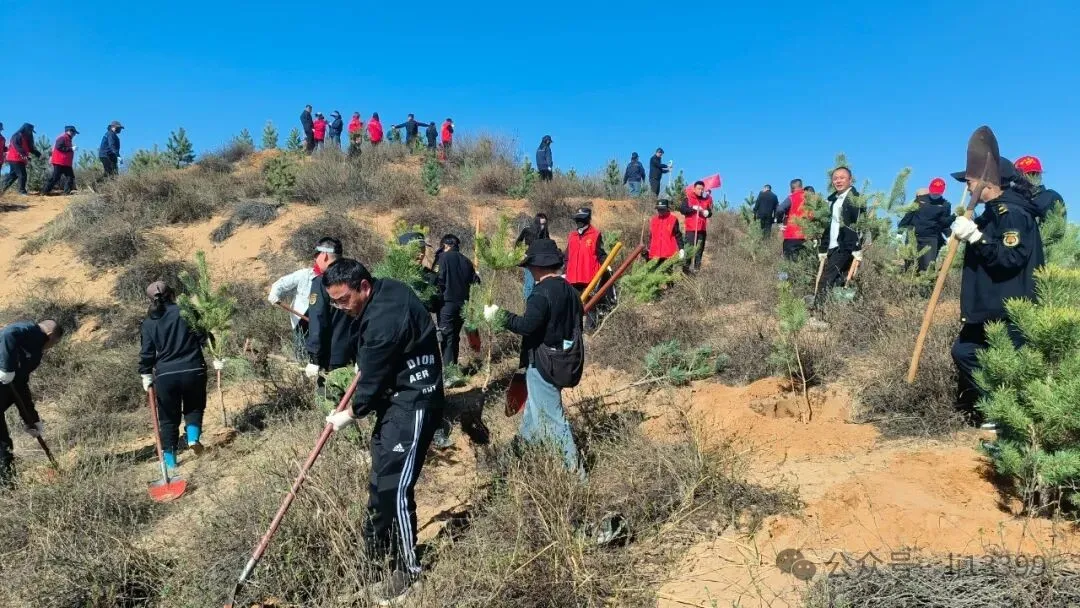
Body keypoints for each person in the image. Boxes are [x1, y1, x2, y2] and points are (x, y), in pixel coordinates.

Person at [321, 259, 444, 604]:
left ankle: (409, 571)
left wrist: (351, 412)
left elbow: (370, 383)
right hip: (395, 402)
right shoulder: (384, 289)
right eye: (334, 301)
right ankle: (376, 558)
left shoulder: (384, 320)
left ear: (364, 286)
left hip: (415, 403)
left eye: (344, 300)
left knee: (397, 489)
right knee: (379, 483)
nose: (340, 307)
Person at [949, 157, 1044, 427]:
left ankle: (1012, 422)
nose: (967, 187)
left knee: (1010, 364)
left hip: (1009, 305)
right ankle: (999, 409)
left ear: (987, 181)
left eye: (969, 181)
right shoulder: (992, 212)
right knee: (964, 351)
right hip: (988, 306)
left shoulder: (1012, 213)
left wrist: (976, 237)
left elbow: (1009, 259)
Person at [483, 239, 585, 474]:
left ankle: (577, 478)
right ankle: (509, 465)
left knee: (554, 421)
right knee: (532, 419)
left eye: (530, 266)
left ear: (538, 266)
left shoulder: (541, 293)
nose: (528, 270)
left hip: (543, 364)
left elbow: (527, 326)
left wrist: (499, 315)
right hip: (564, 361)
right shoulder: (570, 290)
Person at [139, 282, 213, 471]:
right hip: (193, 369)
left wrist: (145, 373)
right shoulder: (187, 311)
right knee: (194, 406)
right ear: (172, 294)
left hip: (165, 375)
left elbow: (147, 352)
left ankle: (171, 462)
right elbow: (204, 336)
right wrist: (216, 353)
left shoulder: (148, 322)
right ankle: (193, 438)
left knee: (168, 419)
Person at [0, 320, 63, 489]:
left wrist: (32, 420)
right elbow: (7, 333)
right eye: (55, 343)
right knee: (2, 445)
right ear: (50, 336)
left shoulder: (35, 355)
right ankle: (7, 487)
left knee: (4, 446)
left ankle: (7, 485)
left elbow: (21, 387)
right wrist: (7, 368)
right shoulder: (29, 331)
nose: (51, 347)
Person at [305, 238, 359, 384]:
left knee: (330, 398)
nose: (315, 259)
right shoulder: (355, 276)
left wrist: (314, 358)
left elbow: (318, 319)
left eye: (317, 255)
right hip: (357, 353)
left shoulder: (322, 282)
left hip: (332, 357)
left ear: (325, 255)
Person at [815, 168, 862, 302]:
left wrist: (857, 248)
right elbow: (829, 226)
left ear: (850, 180)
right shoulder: (834, 200)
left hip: (845, 247)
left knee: (827, 279)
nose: (838, 181)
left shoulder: (855, 199)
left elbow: (858, 225)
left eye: (842, 177)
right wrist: (823, 248)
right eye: (835, 178)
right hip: (833, 245)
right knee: (837, 280)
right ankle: (834, 312)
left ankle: (819, 313)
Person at [436, 234, 478, 371]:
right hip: (463, 304)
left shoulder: (443, 258)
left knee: (447, 337)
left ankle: (450, 373)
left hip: (446, 304)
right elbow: (476, 281)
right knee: (455, 337)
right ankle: (453, 367)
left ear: (446, 245)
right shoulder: (466, 261)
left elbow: (439, 280)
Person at [267, 253, 320, 358]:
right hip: (301, 319)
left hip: (322, 321)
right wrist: (274, 294)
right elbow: (281, 284)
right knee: (302, 352)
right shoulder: (304, 275)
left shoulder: (333, 278)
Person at [898, 178, 954, 272]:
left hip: (930, 239)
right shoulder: (919, 200)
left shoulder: (945, 205)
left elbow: (943, 224)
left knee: (928, 267)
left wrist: (949, 236)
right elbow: (908, 216)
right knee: (910, 265)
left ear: (942, 192)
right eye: (933, 191)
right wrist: (899, 232)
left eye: (937, 192)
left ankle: (926, 286)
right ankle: (909, 286)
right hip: (913, 236)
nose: (935, 194)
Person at [1014, 155, 1066, 220]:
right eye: (1030, 174)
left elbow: (1034, 209)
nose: (1032, 177)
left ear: (1040, 175)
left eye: (1034, 173)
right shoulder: (1017, 198)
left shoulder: (1050, 196)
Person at [515, 213, 549, 300]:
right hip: (529, 260)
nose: (543, 226)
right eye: (541, 224)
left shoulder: (545, 233)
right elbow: (518, 242)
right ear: (537, 223)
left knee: (540, 283)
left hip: (541, 261)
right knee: (529, 283)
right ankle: (527, 304)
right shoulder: (527, 230)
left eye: (544, 224)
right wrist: (520, 254)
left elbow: (549, 245)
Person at [681, 181, 713, 271]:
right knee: (689, 250)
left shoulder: (706, 199)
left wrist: (708, 213)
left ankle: (696, 271)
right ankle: (685, 271)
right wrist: (692, 209)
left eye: (702, 189)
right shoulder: (688, 198)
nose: (700, 191)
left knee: (699, 251)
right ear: (694, 189)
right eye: (699, 189)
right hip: (691, 229)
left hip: (702, 229)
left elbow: (710, 212)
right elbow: (682, 209)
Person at [1, 124, 41, 196]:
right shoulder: (17, 136)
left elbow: (31, 149)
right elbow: (17, 146)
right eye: (29, 130)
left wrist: (38, 154)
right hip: (14, 158)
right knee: (22, 175)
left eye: (31, 131)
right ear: (25, 129)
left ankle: (2, 188)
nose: (30, 132)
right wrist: (24, 155)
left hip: (20, 159)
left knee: (13, 175)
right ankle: (22, 191)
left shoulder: (26, 138)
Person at [644, 199, 686, 266]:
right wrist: (649, 249)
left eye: (662, 209)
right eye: (658, 209)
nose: (660, 211)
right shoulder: (654, 220)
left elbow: (678, 235)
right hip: (655, 254)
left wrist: (681, 249)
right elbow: (651, 237)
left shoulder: (673, 219)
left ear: (667, 208)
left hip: (668, 255)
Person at [41, 125, 79, 196]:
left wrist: (71, 148)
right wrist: (71, 149)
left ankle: (66, 193)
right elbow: (59, 147)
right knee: (55, 177)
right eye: (73, 132)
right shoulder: (62, 137)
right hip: (59, 161)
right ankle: (44, 191)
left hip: (65, 162)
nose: (74, 134)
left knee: (70, 176)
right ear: (69, 131)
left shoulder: (68, 139)